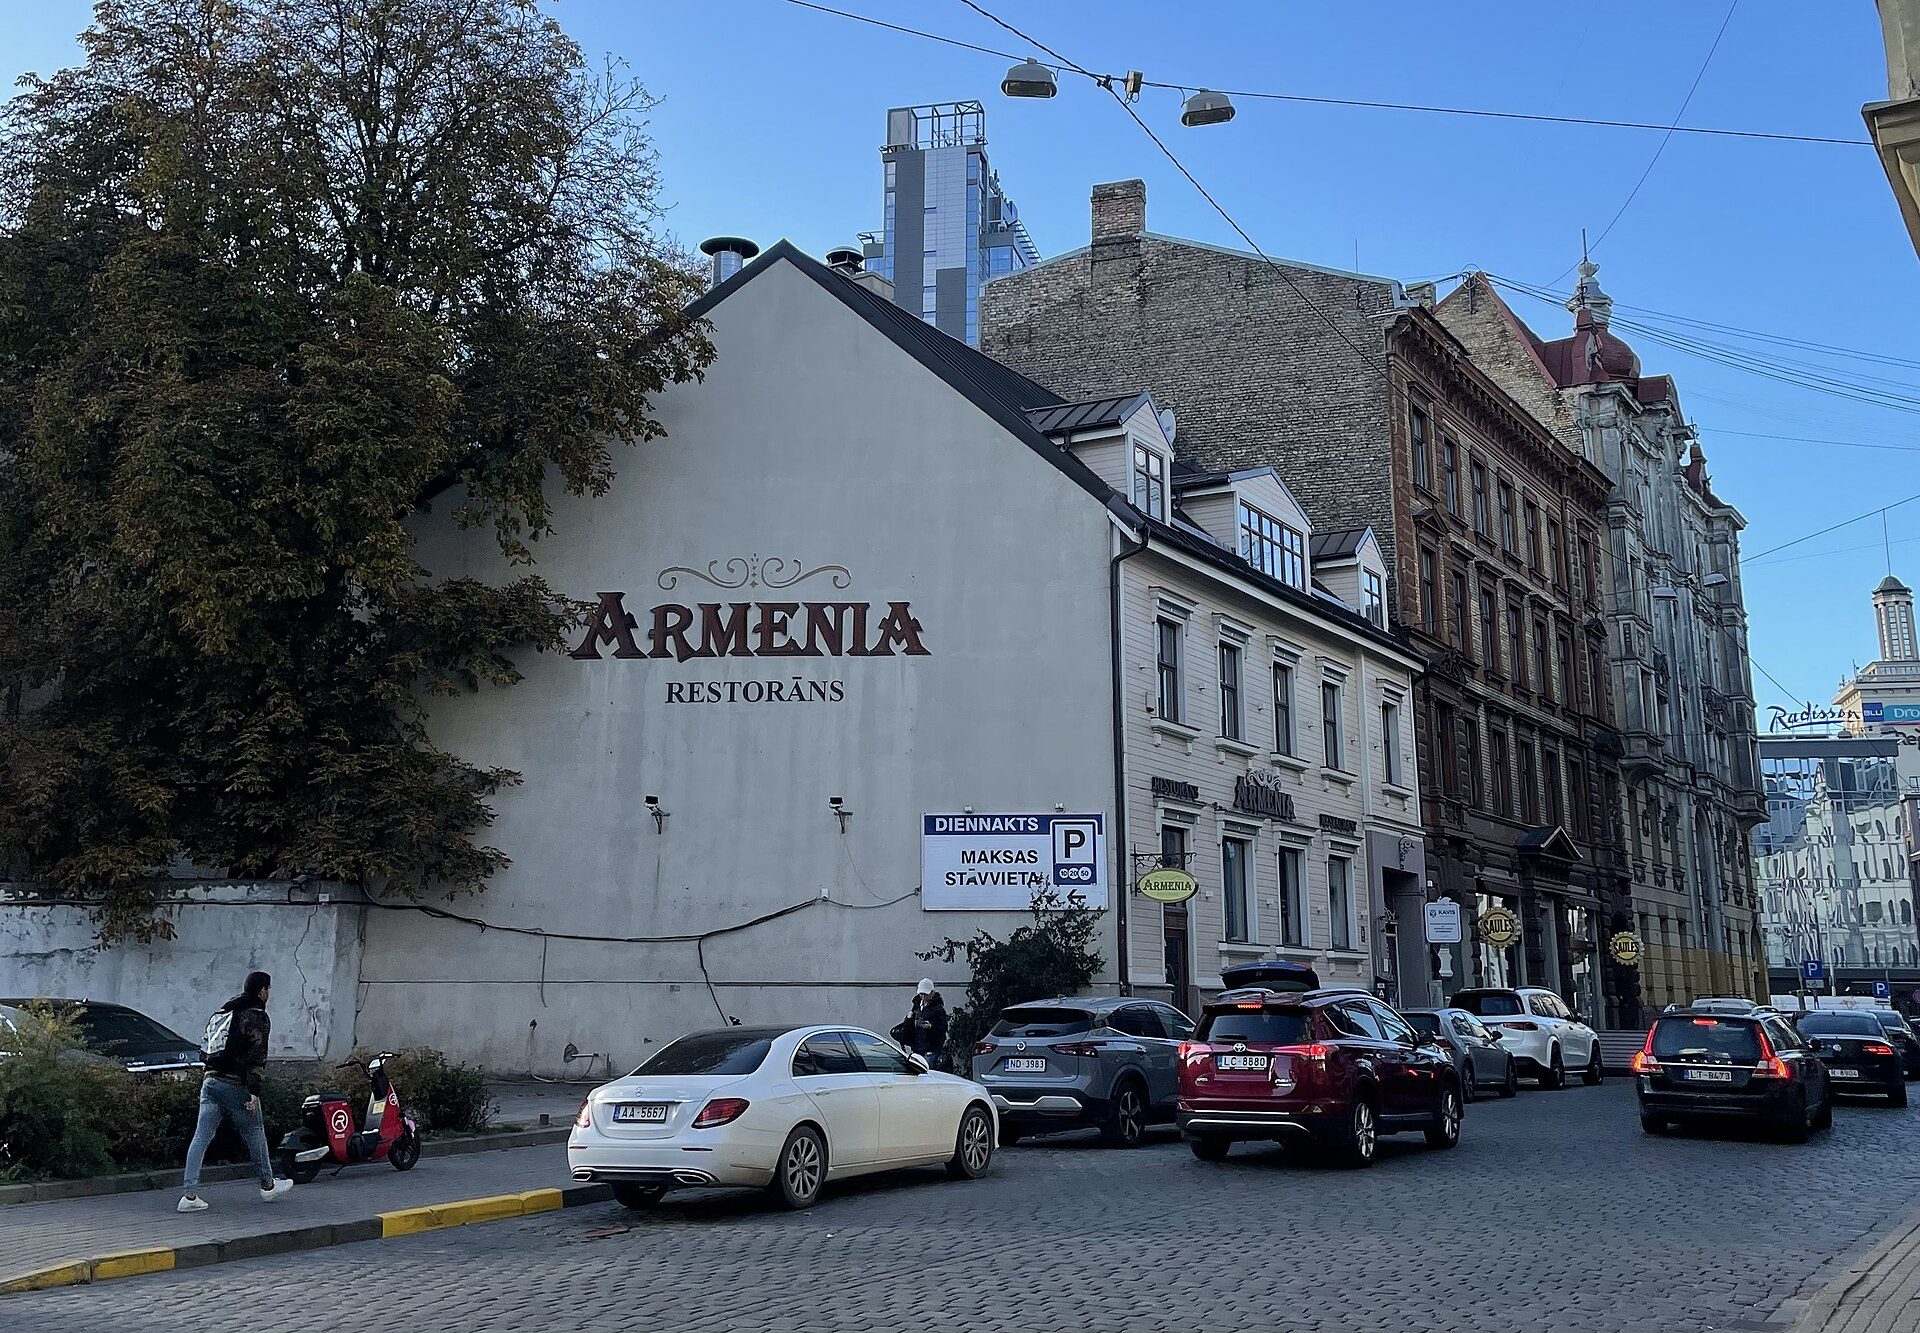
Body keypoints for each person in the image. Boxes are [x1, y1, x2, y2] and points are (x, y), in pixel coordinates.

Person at [179, 970, 292, 1212]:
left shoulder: (226, 1010)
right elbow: (256, 1055)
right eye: (268, 989)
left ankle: (188, 1196)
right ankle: (268, 1185)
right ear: (262, 990)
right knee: (255, 1130)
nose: (269, 994)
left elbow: (208, 1047)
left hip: (210, 1081)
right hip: (236, 1083)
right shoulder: (256, 1016)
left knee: (201, 1137)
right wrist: (254, 1090)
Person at [907, 978, 951, 1073]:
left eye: (925, 994)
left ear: (931, 993)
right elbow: (910, 1023)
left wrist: (931, 1026)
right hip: (917, 1047)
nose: (923, 996)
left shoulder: (938, 1008)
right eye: (921, 994)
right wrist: (909, 1018)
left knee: (928, 1073)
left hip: (931, 1048)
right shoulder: (916, 1005)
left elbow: (943, 1028)